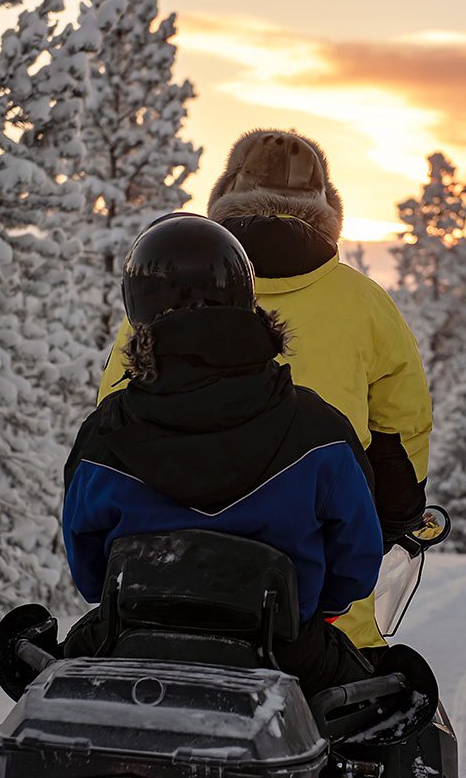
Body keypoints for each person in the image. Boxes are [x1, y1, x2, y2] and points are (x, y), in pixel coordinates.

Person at [99, 130, 433, 653]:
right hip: (315, 585)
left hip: (161, 584)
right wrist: (396, 515)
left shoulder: (167, 298)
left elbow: (113, 418)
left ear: (226, 195)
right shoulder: (364, 304)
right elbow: (400, 429)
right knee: (370, 698)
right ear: (326, 209)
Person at [61, 214, 382, 695]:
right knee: (393, 709)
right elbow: (356, 565)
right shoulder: (320, 431)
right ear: (244, 299)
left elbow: (88, 572)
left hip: (131, 638)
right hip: (285, 649)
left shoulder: (105, 433)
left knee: (42, 673)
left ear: (140, 310)